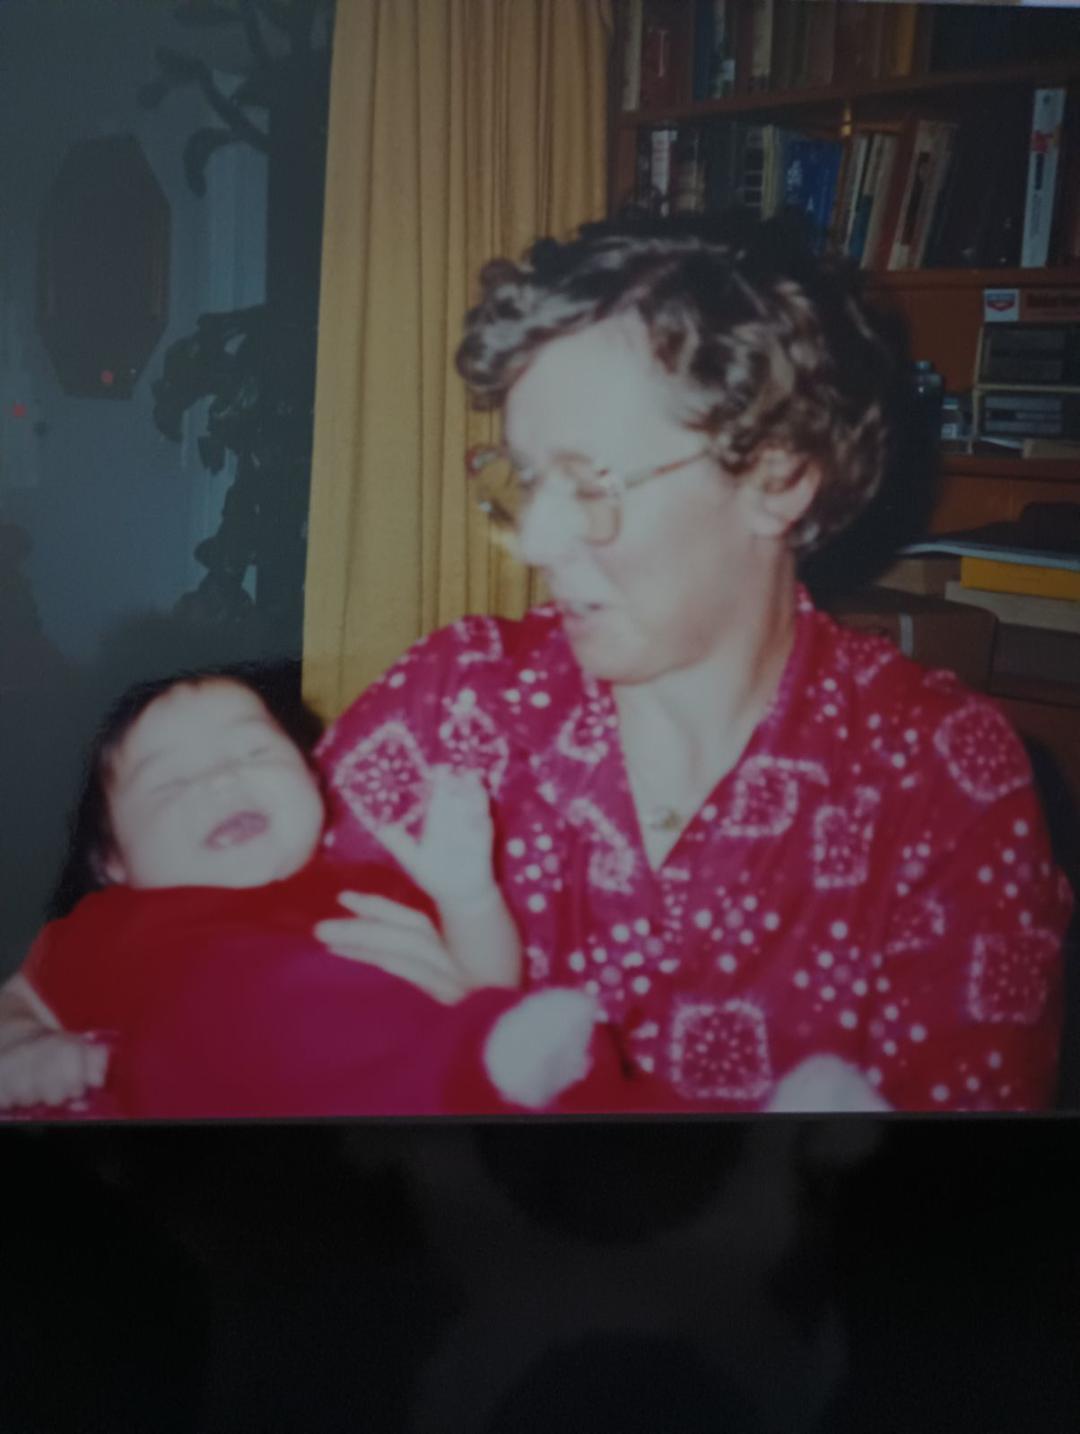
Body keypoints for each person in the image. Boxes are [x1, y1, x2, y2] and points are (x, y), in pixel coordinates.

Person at [1, 216, 1072, 1111]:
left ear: (780, 477)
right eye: (521, 479)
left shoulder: (942, 778)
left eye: (591, 479)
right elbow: (199, 974)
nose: (537, 540)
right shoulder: (455, 702)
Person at [0, 667, 665, 1118]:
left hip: (429, 1079)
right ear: (113, 859)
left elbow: (488, 987)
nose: (222, 783)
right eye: (170, 786)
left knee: (594, 1094)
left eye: (254, 755)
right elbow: (15, 1005)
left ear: (314, 783)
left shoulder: (366, 882)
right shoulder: (106, 928)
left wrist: (468, 897)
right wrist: (27, 1051)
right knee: (196, 1037)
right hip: (240, 1105)